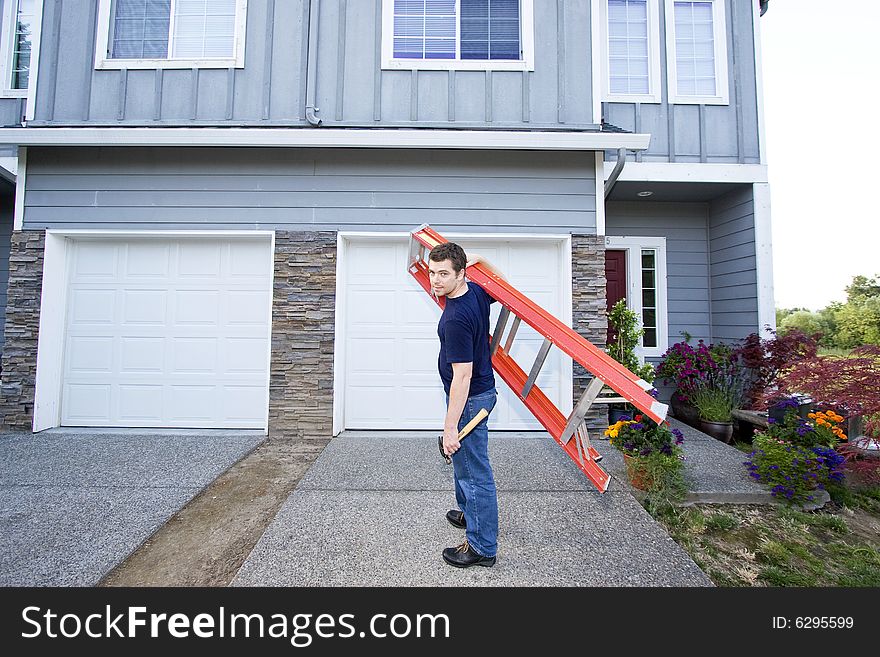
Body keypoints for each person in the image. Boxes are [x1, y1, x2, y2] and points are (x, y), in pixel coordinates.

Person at [427, 241, 506, 568]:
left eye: (444, 274)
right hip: (478, 395)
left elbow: (462, 377)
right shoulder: (474, 293)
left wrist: (449, 428)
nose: (435, 280)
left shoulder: (456, 318)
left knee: (475, 474)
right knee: (465, 466)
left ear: (461, 274)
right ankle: (471, 512)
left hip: (470, 399)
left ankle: (482, 547)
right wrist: (482, 258)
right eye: (433, 272)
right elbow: (503, 286)